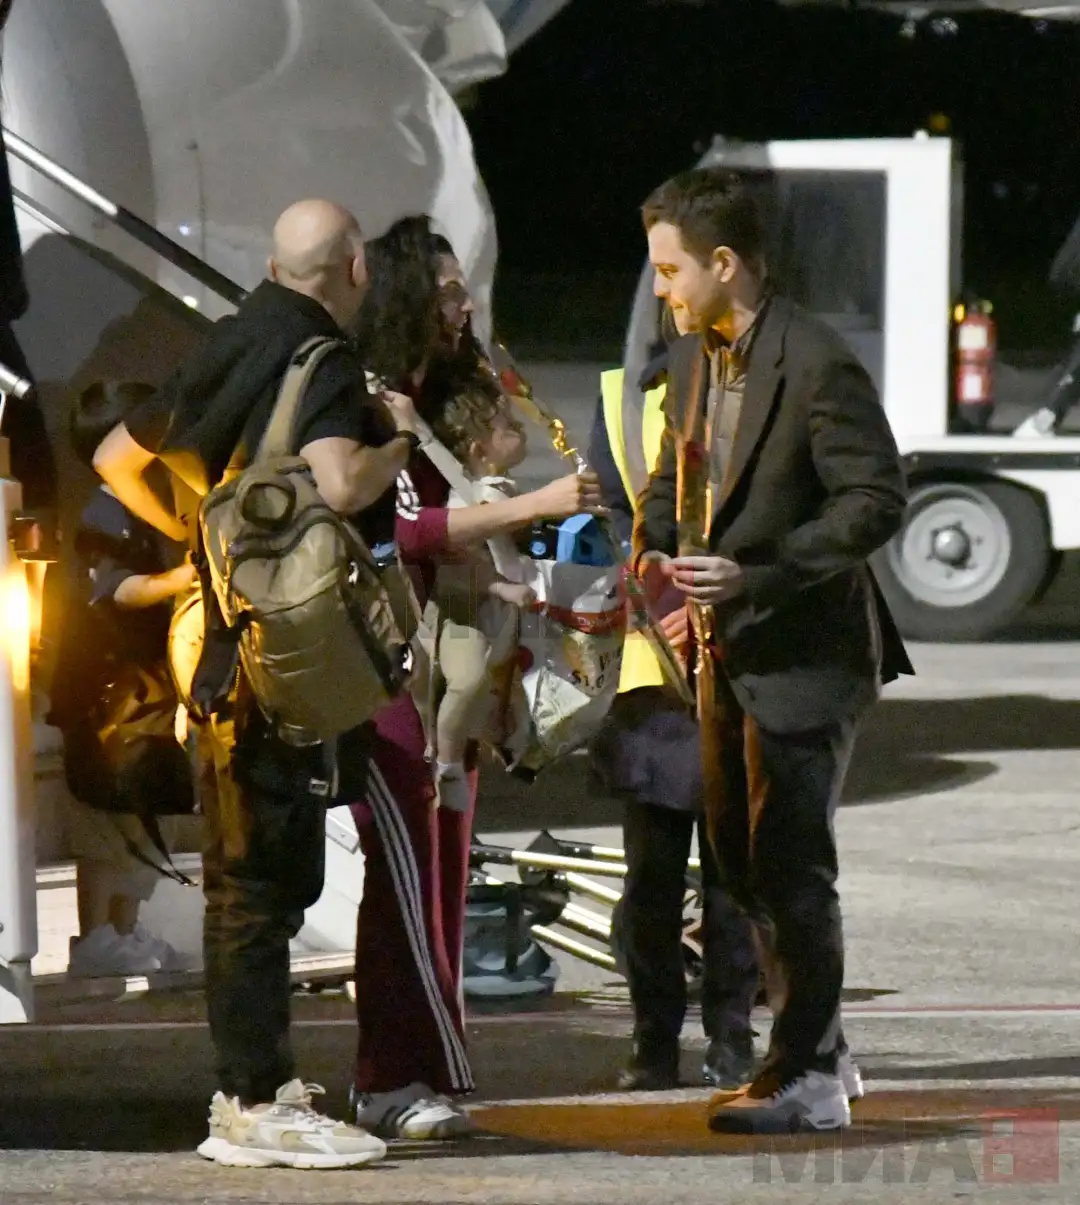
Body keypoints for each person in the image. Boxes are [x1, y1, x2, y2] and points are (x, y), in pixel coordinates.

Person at [92, 198, 408, 1170]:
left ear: (274, 266)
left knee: (250, 875)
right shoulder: (324, 359)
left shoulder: (232, 337)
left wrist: (199, 541)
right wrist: (395, 438)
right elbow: (343, 483)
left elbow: (114, 459)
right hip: (286, 658)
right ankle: (253, 1100)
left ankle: (257, 1091)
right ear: (355, 268)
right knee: (260, 885)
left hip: (218, 647)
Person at [631, 167, 913, 1134]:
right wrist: (659, 556)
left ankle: (808, 1075)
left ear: (724, 263)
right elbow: (671, 478)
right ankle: (820, 1042)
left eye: (671, 270)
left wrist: (760, 573)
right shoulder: (696, 357)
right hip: (725, 654)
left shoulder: (816, 360)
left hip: (804, 656)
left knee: (793, 866)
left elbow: (875, 497)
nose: (662, 289)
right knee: (743, 864)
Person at [346, 215, 602, 1140]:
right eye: (448, 289)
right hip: (394, 665)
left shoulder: (442, 394)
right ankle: (388, 1078)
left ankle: (429, 1068)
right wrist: (531, 508)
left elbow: (453, 522)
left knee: (446, 875)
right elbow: (397, 531)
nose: (463, 304)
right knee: (406, 880)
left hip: (458, 662)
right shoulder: (369, 401)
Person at [588, 305, 760, 1092]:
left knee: (724, 877)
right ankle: (661, 1039)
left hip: (720, 658)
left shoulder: (755, 395)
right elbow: (610, 522)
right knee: (659, 880)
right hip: (658, 668)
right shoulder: (628, 397)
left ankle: (722, 1037)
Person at [48, 381, 190, 978]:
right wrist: (183, 578)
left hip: (139, 697)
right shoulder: (105, 515)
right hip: (107, 699)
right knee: (109, 819)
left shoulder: (137, 508)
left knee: (140, 807)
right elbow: (116, 590)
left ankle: (123, 930)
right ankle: (97, 936)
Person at [426, 375, 544, 812]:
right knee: (469, 677)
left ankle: (507, 746)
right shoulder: (474, 502)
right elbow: (458, 564)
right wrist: (501, 586)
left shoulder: (499, 490)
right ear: (479, 451)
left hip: (502, 611)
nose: (521, 429)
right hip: (471, 609)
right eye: (508, 426)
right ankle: (448, 762)